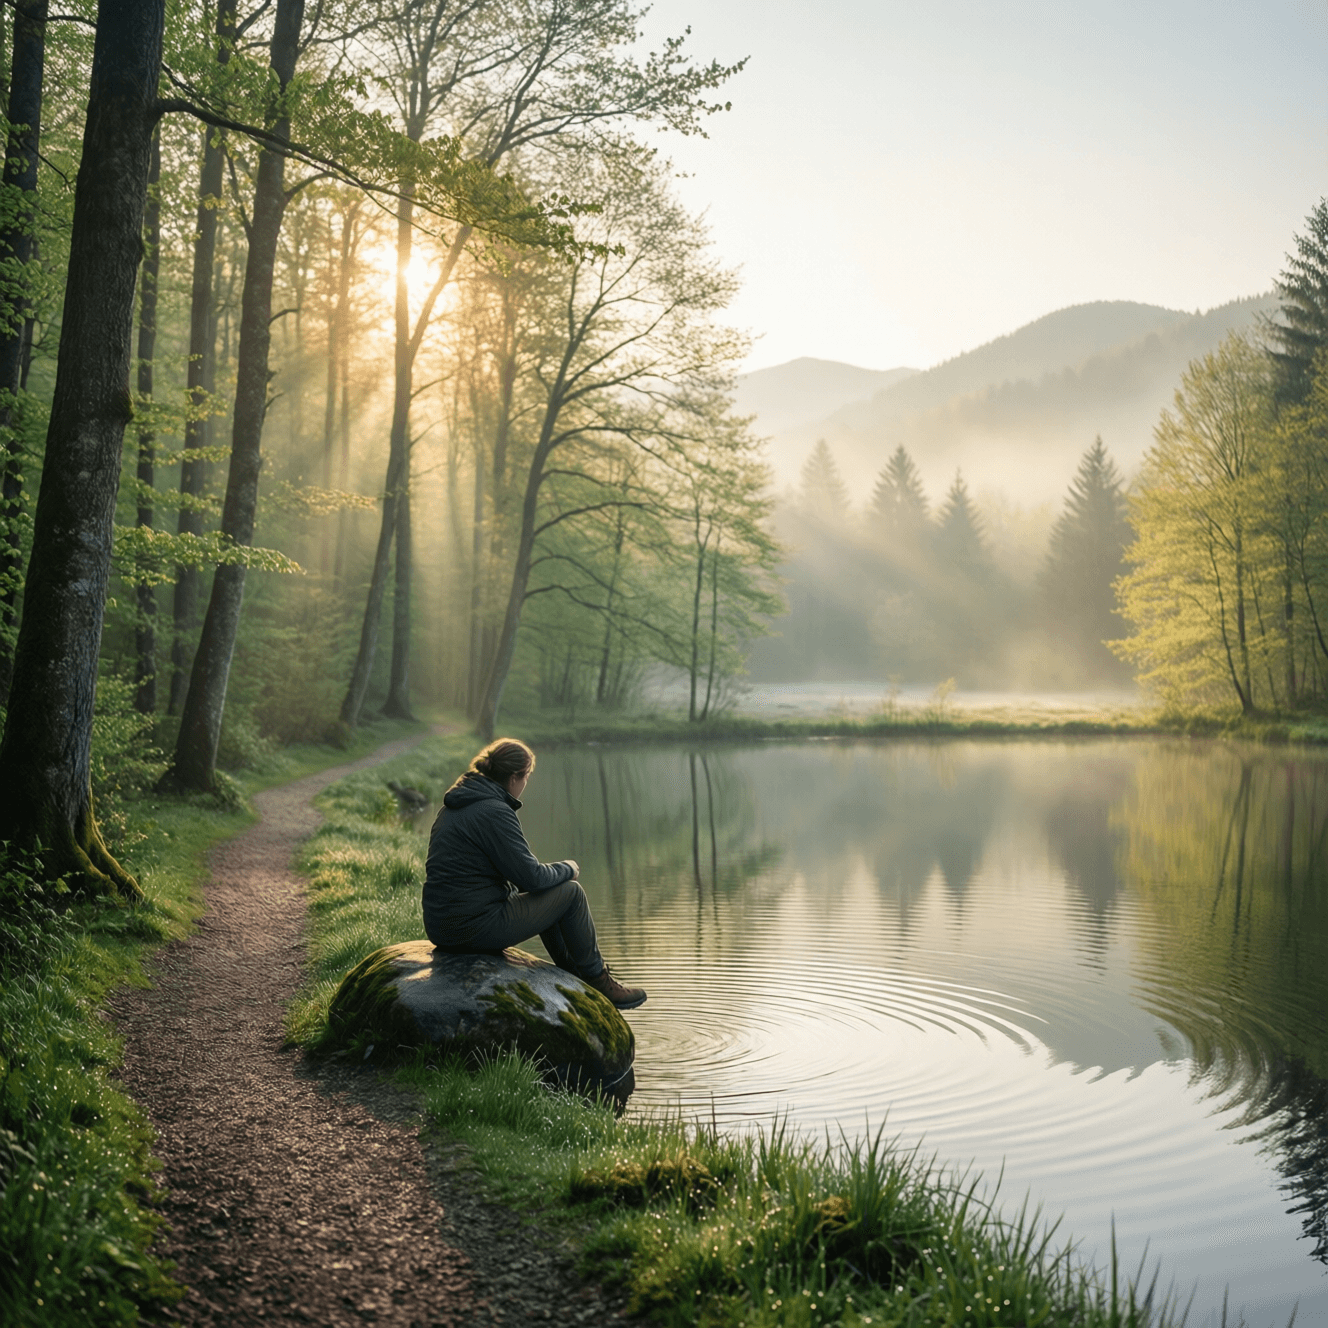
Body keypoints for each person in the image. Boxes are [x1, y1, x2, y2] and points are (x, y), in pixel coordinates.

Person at [422, 737, 647, 1010]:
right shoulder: (494, 811)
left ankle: (572, 972)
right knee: (570, 893)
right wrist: (569, 867)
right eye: (527, 776)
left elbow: (523, 878)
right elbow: (532, 878)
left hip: (441, 925)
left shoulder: (455, 806)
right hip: (473, 928)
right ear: (515, 777)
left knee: (550, 892)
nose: (526, 784)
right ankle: (597, 979)